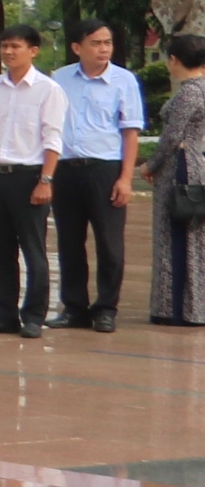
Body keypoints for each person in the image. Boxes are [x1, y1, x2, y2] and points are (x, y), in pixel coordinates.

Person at [48, 21, 143, 331]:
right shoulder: (59, 79)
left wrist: (125, 178)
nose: (104, 49)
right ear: (77, 47)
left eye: (108, 42)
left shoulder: (123, 80)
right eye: (96, 43)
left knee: (109, 243)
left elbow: (130, 132)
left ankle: (105, 308)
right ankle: (74, 308)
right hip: (66, 169)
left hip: (105, 170)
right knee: (69, 242)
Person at [0, 24, 58, 341]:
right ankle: (4, 314)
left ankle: (33, 316)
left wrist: (45, 180)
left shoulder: (48, 89)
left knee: (33, 250)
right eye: (5, 46)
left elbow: (53, 139)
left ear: (33, 50)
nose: (8, 52)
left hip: (30, 177)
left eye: (15, 46)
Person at [149, 33, 205, 327]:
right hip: (196, 161)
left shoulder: (189, 93)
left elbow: (172, 136)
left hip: (181, 167)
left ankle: (177, 308)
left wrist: (152, 164)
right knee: (191, 236)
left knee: (176, 235)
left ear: (173, 60)